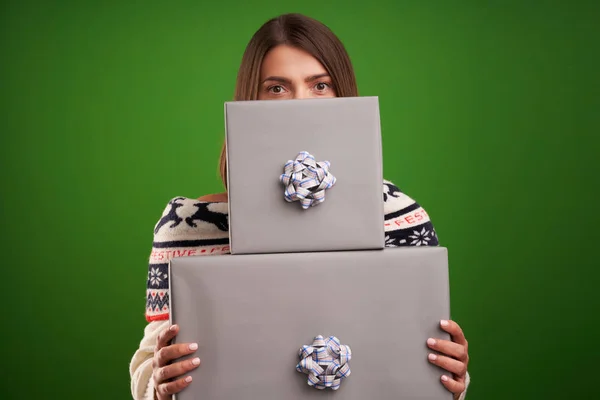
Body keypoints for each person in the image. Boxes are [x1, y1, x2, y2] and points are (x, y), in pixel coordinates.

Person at [129, 13, 470, 400]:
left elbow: (418, 358)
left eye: (320, 85)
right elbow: (147, 363)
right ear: (249, 101)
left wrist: (454, 378)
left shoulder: (402, 218)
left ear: (344, 96)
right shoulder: (187, 227)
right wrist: (155, 383)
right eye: (276, 88)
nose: (299, 103)